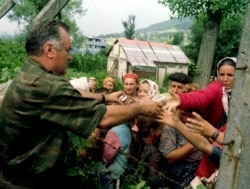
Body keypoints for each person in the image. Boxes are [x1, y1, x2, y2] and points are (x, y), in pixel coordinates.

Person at [0, 19, 163, 189]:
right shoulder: (48, 86)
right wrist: (140, 107)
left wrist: (105, 98)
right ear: (49, 50)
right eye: (67, 50)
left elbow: (70, 93)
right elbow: (104, 117)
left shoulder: (29, 75)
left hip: (14, 174)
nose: (70, 57)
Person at [158, 73, 202, 189]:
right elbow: (169, 156)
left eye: (179, 87)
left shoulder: (201, 120)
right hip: (177, 172)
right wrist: (196, 142)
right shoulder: (171, 120)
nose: (175, 90)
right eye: (173, 86)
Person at [165, 57, 237, 128]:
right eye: (222, 75)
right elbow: (203, 96)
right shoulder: (217, 88)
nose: (225, 79)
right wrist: (181, 99)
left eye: (230, 75)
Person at [132, 115, 164, 188]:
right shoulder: (154, 151)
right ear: (152, 131)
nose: (162, 131)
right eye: (160, 129)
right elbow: (152, 178)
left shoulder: (136, 142)